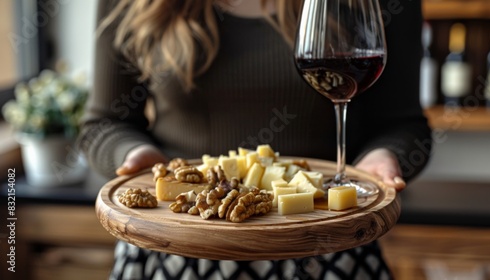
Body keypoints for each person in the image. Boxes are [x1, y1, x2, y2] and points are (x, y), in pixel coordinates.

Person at [78, 0, 431, 279]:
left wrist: (385, 156)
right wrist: (139, 156)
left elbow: (405, 126)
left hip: (327, 252)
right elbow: (104, 124)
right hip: (173, 251)